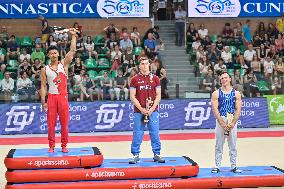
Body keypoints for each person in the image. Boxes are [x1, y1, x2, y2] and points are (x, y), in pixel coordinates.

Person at [41, 28, 77, 153]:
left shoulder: (64, 64)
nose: (54, 55)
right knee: (51, 124)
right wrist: (43, 101)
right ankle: (51, 145)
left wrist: (73, 36)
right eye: (51, 53)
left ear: (58, 54)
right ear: (48, 55)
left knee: (64, 123)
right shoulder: (45, 69)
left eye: (55, 53)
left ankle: (64, 145)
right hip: (51, 97)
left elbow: (72, 50)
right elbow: (43, 86)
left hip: (63, 97)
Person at [129, 57, 165, 164]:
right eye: (142, 64)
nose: (144, 66)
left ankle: (157, 154)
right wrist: (142, 109)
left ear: (149, 64)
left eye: (146, 63)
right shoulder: (134, 79)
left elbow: (158, 96)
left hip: (153, 111)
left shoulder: (155, 79)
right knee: (138, 133)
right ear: (139, 66)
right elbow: (132, 96)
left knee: (154, 132)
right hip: (138, 111)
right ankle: (135, 155)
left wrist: (151, 109)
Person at [211, 71, 242, 173]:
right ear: (220, 81)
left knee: (233, 144)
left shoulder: (236, 93)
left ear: (230, 79)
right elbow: (215, 109)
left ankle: (233, 166)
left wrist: (233, 123)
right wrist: (222, 123)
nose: (224, 80)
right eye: (222, 78)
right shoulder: (216, 93)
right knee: (219, 144)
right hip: (221, 119)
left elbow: (238, 109)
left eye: (225, 78)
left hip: (232, 119)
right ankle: (217, 165)